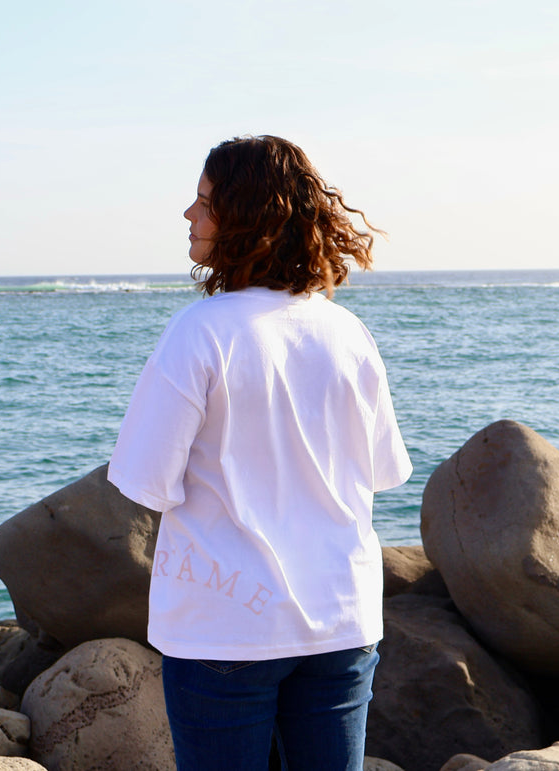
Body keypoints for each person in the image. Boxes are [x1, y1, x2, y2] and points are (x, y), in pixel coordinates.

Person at [108, 135, 411, 771]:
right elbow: (384, 471)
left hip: (226, 628)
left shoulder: (200, 331)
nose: (188, 216)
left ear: (245, 218)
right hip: (340, 621)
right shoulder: (347, 330)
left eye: (204, 202)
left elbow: (145, 481)